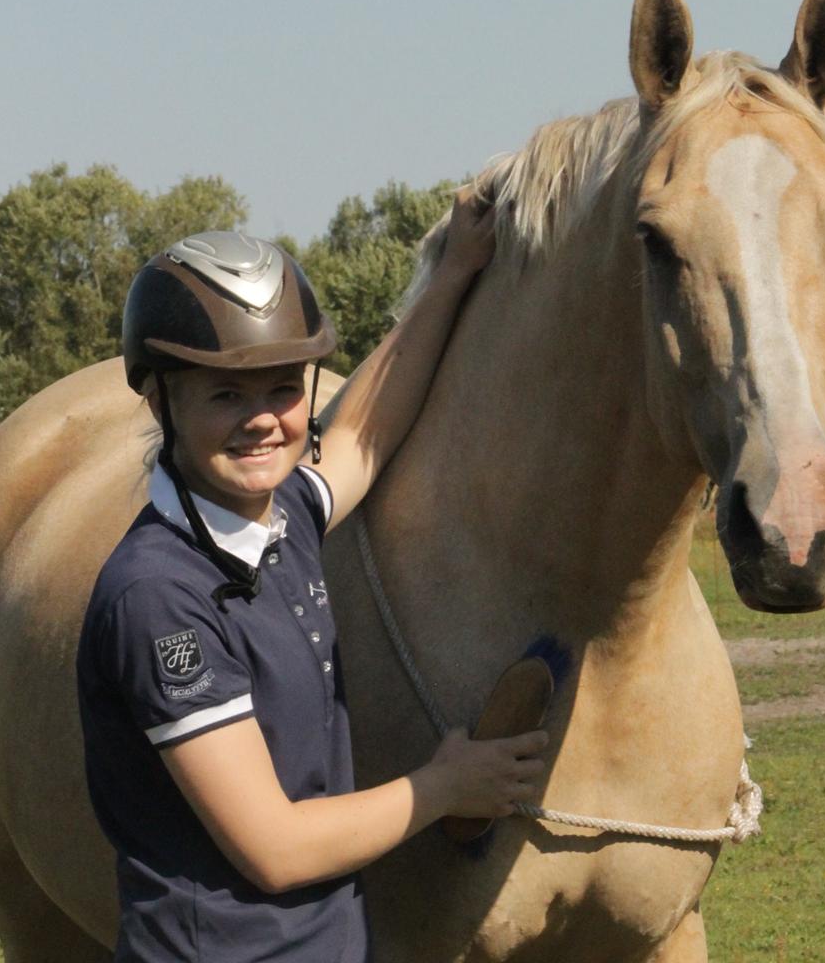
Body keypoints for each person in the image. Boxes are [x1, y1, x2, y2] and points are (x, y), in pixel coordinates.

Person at [76, 190, 547, 962]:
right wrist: (446, 787)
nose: (264, 419)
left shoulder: (279, 517)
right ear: (161, 398)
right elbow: (276, 848)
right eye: (227, 393)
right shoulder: (160, 596)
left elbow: (362, 433)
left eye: (283, 388)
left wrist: (455, 270)